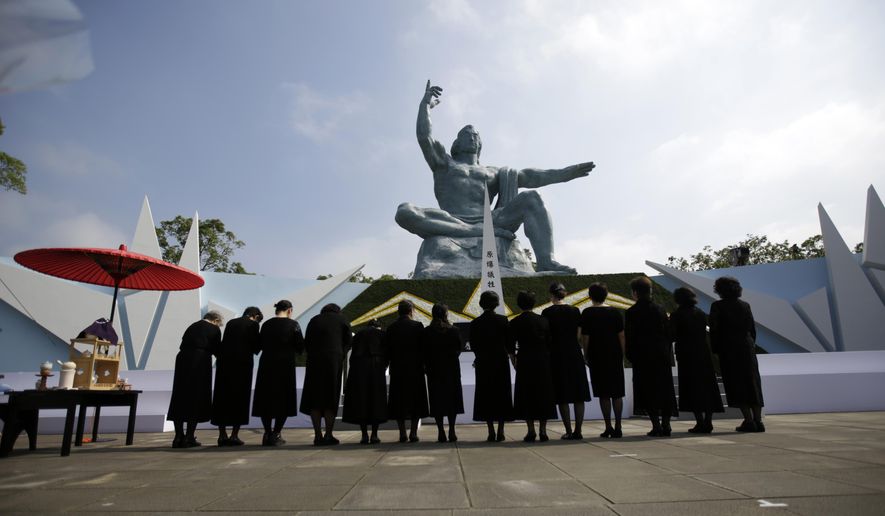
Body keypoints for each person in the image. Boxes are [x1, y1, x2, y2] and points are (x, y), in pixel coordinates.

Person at [395, 80, 596, 274]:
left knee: (533, 198)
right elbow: (425, 138)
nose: (472, 137)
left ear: (480, 144)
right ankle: (473, 231)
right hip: (451, 219)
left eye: (476, 135)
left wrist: (565, 174)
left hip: (492, 220)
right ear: (455, 144)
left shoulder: (494, 172)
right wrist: (425, 106)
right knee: (405, 211)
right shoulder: (444, 164)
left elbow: (531, 177)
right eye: (466, 134)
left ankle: (546, 261)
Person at [709, 276, 765, 432]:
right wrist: (750, 344)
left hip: (729, 348)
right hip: (746, 347)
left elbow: (714, 330)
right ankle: (758, 420)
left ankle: (748, 420)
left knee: (736, 383)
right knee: (752, 382)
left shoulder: (717, 306)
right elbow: (752, 329)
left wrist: (715, 350)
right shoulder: (745, 305)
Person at [624, 277, 678, 437]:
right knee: (665, 389)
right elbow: (668, 334)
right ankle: (666, 424)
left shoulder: (631, 312)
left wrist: (630, 355)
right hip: (661, 355)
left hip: (642, 356)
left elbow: (630, 336)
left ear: (635, 293)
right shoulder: (660, 309)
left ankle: (656, 425)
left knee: (647, 390)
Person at [671, 287, 724, 433]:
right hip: (703, 353)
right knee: (708, 387)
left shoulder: (677, 315)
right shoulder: (700, 313)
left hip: (686, 355)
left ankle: (700, 421)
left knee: (691, 388)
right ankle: (708, 420)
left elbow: (672, 335)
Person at [542, 283, 591, 440]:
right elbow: (579, 334)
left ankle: (568, 430)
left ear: (551, 295)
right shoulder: (575, 310)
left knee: (562, 394)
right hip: (574, 353)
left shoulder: (547, 312)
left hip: (556, 354)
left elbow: (547, 336)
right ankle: (578, 430)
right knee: (579, 394)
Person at [251, 300, 304, 446]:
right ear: (289, 310)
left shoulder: (266, 324)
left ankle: (267, 433)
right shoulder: (293, 325)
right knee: (284, 398)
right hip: (285, 364)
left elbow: (258, 345)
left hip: (266, 364)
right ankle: (276, 433)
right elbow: (300, 346)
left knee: (266, 398)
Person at [167, 311, 223, 448]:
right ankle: (189, 436)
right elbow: (217, 350)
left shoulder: (192, 326)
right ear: (215, 320)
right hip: (200, 360)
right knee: (196, 397)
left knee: (179, 397)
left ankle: (178, 436)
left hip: (182, 359)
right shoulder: (214, 329)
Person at [300, 303, 352, 446]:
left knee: (315, 399)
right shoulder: (343, 320)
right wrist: (340, 354)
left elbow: (307, 342)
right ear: (338, 310)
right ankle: (329, 434)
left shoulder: (314, 320)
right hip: (333, 363)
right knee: (331, 398)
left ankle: (318, 435)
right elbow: (348, 342)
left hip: (314, 362)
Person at [211, 306, 262, 446]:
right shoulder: (253, 324)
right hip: (242, 364)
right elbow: (256, 347)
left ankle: (222, 435)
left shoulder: (231, 323)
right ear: (256, 316)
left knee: (222, 397)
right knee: (240, 398)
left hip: (225, 364)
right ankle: (234, 435)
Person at [511, 291, 557, 442]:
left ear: (519, 304)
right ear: (533, 303)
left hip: (524, 360)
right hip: (542, 360)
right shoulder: (543, 320)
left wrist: (513, 359)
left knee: (526, 394)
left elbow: (510, 346)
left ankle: (530, 430)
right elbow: (550, 342)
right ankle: (543, 430)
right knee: (543, 393)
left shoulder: (515, 322)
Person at [469, 290, 515, 442]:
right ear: (496, 304)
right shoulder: (503, 320)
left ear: (481, 304)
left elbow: (474, 345)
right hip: (500, 362)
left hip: (483, 362)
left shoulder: (475, 323)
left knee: (485, 395)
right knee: (502, 394)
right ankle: (501, 430)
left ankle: (490, 431)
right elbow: (509, 344)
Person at [581, 283, 626, 438]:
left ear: (590, 296)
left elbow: (585, 337)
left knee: (603, 393)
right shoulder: (615, 312)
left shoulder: (587, 313)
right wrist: (623, 353)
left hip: (597, 355)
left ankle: (608, 426)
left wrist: (586, 355)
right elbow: (621, 335)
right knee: (617, 393)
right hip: (614, 355)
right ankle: (618, 425)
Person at [386, 300, 429, 442]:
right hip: (415, 369)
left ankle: (402, 433)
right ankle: (414, 432)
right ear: (411, 311)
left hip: (397, 369)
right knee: (416, 400)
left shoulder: (391, 327)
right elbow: (424, 348)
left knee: (399, 401)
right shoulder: (418, 326)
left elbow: (388, 349)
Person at [423, 303, 465, 443]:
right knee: (452, 400)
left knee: (437, 400)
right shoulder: (454, 330)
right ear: (446, 314)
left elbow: (424, 352)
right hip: (451, 369)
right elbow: (459, 349)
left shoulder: (427, 332)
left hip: (434, 370)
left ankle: (441, 431)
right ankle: (452, 430)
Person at [342, 319, 388, 444]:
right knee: (376, 401)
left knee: (361, 401)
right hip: (376, 367)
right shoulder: (381, 334)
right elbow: (386, 353)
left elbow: (352, 355)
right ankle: (374, 434)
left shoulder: (359, 334)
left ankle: (364, 435)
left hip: (359, 367)